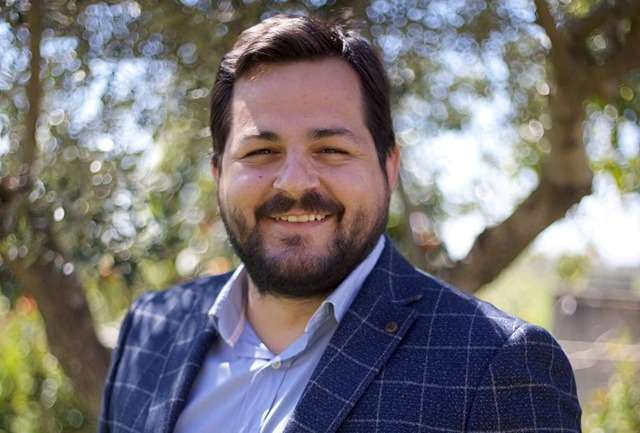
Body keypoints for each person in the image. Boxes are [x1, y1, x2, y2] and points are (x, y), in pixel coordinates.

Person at [98, 15, 582, 433]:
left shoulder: (497, 365)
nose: (293, 182)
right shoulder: (151, 328)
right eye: (261, 151)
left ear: (389, 168)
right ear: (218, 173)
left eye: (330, 149)